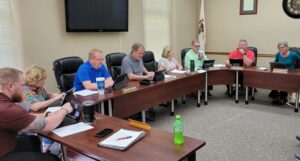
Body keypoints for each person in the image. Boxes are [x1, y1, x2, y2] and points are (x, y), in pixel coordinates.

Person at [0, 67, 73, 161]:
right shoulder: (7, 109)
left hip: (7, 144)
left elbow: (27, 117)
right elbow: (46, 125)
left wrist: (47, 114)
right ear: (10, 87)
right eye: (22, 85)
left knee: (32, 140)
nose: (23, 89)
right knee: (52, 159)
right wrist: (64, 110)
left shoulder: (5, 105)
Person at [21, 65, 65, 152]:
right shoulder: (25, 91)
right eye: (42, 79)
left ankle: (51, 144)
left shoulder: (39, 88)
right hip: (31, 119)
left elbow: (48, 95)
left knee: (60, 118)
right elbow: (35, 107)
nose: (44, 81)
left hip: (43, 114)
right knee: (53, 122)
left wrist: (59, 95)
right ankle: (45, 146)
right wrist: (55, 99)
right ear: (34, 79)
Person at [121, 43, 155, 121]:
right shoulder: (126, 60)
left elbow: (142, 66)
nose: (142, 55)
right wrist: (145, 77)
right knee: (144, 93)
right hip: (129, 84)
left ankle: (147, 111)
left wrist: (147, 73)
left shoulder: (139, 58)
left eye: (143, 53)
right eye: (140, 53)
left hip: (139, 81)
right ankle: (141, 112)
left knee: (152, 89)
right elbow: (130, 76)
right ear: (133, 51)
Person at [269, 41, 300, 105]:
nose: (280, 49)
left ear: (287, 47)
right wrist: (272, 65)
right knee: (273, 79)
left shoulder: (293, 54)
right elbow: (275, 61)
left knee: (284, 81)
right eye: (279, 48)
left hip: (290, 74)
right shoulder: (278, 54)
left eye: (282, 47)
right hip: (280, 72)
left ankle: (282, 97)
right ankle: (275, 96)